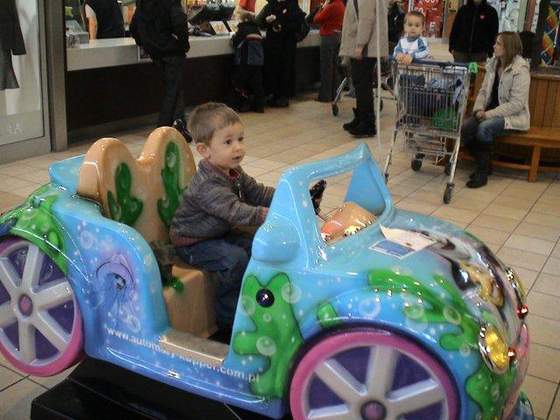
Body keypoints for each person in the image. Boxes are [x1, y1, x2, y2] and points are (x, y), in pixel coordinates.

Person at [169, 103, 275, 329]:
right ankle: (228, 316)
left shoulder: (234, 171)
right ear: (204, 150)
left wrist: (285, 196)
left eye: (240, 139)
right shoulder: (207, 184)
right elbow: (234, 211)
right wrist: (265, 214)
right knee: (234, 259)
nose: (238, 147)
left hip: (217, 233)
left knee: (256, 246)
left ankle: (253, 296)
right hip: (193, 242)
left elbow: (257, 192)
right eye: (228, 142)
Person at [461, 32, 530, 188]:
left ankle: (482, 173)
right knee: (466, 128)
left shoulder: (521, 69)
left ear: (508, 48)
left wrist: (487, 114)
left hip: (512, 117)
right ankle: (485, 164)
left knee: (484, 128)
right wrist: (478, 109)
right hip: (487, 112)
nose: (494, 46)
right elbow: (483, 91)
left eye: (498, 44)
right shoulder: (493, 64)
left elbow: (516, 104)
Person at [130, 0, 191, 142]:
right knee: (173, 90)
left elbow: (134, 27)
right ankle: (162, 129)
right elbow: (179, 22)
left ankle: (179, 125)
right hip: (172, 51)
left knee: (174, 88)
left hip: (155, 52)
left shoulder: (142, 3)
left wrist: (145, 43)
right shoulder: (171, 2)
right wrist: (183, 44)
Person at [339, 0, 388, 137]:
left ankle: (367, 124)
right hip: (365, 46)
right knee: (360, 83)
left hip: (366, 48)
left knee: (362, 84)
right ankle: (361, 118)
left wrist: (360, 45)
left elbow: (366, 19)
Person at [257, 0, 305, 107]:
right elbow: (260, 22)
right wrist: (267, 21)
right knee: (272, 70)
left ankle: (283, 97)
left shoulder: (292, 6)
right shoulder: (271, 5)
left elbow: (297, 24)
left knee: (285, 71)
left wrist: (282, 24)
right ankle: (274, 95)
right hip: (273, 45)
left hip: (287, 45)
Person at [230, 7, 265, 113]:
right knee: (257, 84)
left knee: (238, 82)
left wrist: (233, 37)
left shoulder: (242, 29)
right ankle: (259, 106)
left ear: (243, 20)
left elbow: (235, 43)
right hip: (257, 61)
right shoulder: (257, 30)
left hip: (245, 60)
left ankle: (240, 105)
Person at [313, 0, 345, 102]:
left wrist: (321, 8)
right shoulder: (341, 4)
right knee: (334, 67)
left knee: (326, 67)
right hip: (338, 36)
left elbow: (317, 19)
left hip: (328, 37)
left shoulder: (331, 6)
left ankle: (325, 96)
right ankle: (335, 95)